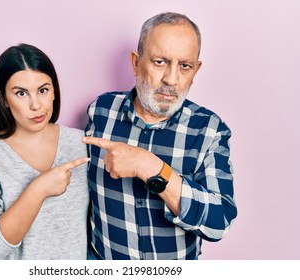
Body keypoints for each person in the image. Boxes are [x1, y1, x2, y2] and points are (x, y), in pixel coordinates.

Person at [83, 12, 237, 260]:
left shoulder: (209, 129)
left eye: (184, 66)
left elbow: (219, 223)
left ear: (195, 71)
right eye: (160, 62)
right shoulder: (100, 111)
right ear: (135, 62)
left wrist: (152, 167)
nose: (172, 80)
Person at [0, 43, 90, 260]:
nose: (36, 105)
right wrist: (38, 190)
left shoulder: (80, 143)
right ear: (3, 99)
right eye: (21, 93)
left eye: (43, 90)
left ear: (54, 91)